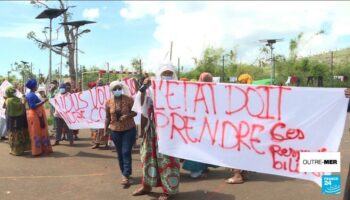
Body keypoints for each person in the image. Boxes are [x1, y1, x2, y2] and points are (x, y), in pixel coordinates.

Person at [132, 63, 180, 200]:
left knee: (167, 159)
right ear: (159, 75)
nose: (167, 77)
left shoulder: (179, 89)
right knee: (148, 157)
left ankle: (168, 190)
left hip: (171, 130)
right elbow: (141, 104)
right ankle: (146, 185)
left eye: (169, 74)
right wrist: (143, 87)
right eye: (164, 74)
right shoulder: (151, 89)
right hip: (153, 129)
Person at [104, 80, 137, 186]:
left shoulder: (129, 100)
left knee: (126, 151)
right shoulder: (108, 102)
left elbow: (135, 112)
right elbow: (107, 117)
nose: (117, 90)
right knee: (120, 153)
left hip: (129, 129)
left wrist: (127, 115)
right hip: (115, 130)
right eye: (115, 89)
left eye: (119, 88)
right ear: (112, 90)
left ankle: (126, 175)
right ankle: (124, 172)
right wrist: (105, 129)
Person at [182, 72, 214, 178]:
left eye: (208, 79)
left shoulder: (214, 90)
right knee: (197, 147)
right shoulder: (194, 90)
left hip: (206, 124)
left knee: (205, 147)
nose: (207, 81)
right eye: (205, 79)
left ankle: (203, 167)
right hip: (197, 124)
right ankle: (195, 171)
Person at [25, 79, 52, 156]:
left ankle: (40, 149)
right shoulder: (31, 95)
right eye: (36, 85)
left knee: (38, 132)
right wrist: (43, 102)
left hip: (36, 115)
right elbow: (33, 106)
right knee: (36, 132)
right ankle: (37, 150)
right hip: (35, 115)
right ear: (33, 87)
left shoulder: (31, 94)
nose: (37, 87)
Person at [4, 86, 31, 155]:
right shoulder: (19, 99)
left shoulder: (7, 100)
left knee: (12, 134)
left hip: (11, 120)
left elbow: (4, 107)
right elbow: (23, 105)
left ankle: (14, 150)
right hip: (20, 120)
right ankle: (22, 150)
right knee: (19, 133)